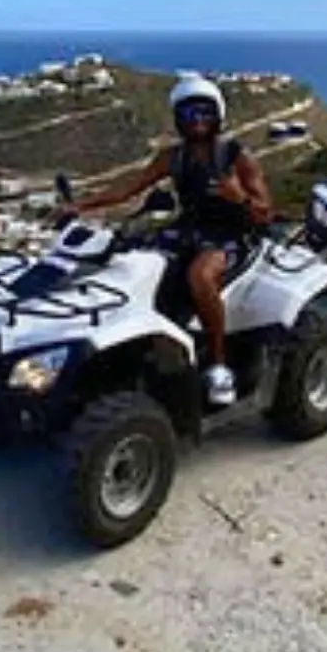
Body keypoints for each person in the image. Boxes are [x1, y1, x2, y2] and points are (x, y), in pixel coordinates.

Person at [61, 74, 272, 407]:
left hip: (230, 235)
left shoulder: (236, 156)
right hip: (187, 228)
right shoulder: (172, 157)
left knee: (200, 277)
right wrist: (80, 205)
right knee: (128, 260)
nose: (198, 120)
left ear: (217, 114)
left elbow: (265, 212)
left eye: (204, 112)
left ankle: (219, 365)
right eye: (190, 114)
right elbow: (127, 188)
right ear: (179, 119)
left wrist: (239, 198)